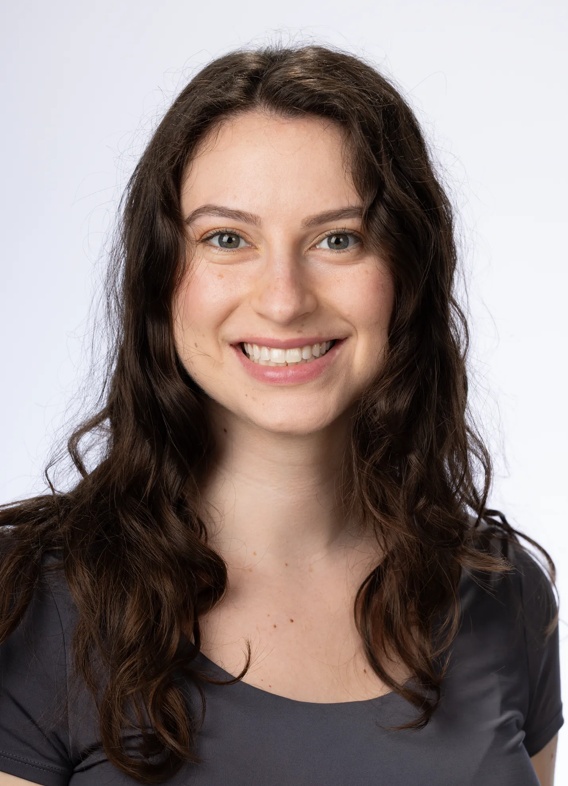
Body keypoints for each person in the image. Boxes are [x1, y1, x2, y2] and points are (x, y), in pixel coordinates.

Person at [0, 44, 562, 786]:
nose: (284, 298)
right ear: (161, 275)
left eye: (338, 239)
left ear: (407, 275)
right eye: (226, 239)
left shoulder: (503, 594)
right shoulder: (32, 608)